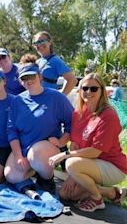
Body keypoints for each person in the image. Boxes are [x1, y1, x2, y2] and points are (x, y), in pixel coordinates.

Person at [49, 73, 127, 212]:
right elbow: (75, 144)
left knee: (71, 163)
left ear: (102, 90)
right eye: (85, 88)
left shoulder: (108, 115)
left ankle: (97, 199)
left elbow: (95, 152)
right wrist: (73, 175)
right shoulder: (78, 113)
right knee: (66, 194)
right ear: (80, 90)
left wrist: (66, 157)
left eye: (94, 89)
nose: (88, 92)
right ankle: (112, 193)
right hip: (89, 164)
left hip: (113, 166)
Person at [4, 55, 74, 195]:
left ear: (40, 76)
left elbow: (72, 122)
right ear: (20, 81)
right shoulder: (17, 101)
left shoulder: (56, 97)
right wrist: (18, 155)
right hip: (24, 148)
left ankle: (46, 179)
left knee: (35, 155)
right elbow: (11, 131)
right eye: (24, 78)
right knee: (11, 176)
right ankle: (34, 171)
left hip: (45, 148)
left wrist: (62, 141)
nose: (28, 81)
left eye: (32, 76)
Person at [33, 31, 77, 95]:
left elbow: (72, 80)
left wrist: (61, 97)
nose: (39, 45)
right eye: (36, 43)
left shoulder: (55, 61)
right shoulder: (38, 61)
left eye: (42, 41)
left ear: (49, 42)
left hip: (49, 101)